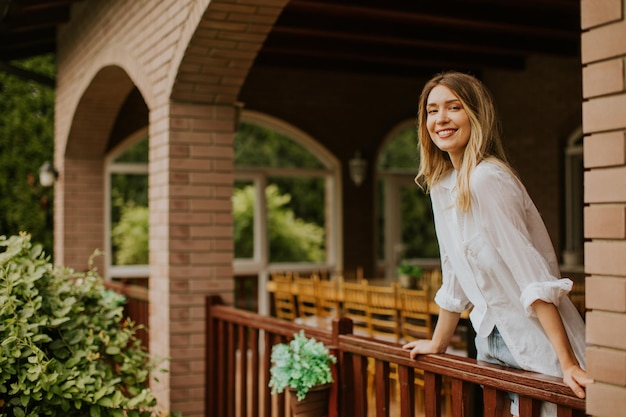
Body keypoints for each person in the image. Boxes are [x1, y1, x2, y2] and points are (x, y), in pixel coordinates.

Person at [402, 71, 592, 417]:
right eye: (431, 111)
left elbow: (531, 274)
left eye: (453, 107)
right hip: (488, 343)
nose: (440, 119)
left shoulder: (487, 178)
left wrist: (566, 363)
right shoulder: (444, 185)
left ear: (476, 115)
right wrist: (438, 343)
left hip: (538, 345)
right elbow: (454, 276)